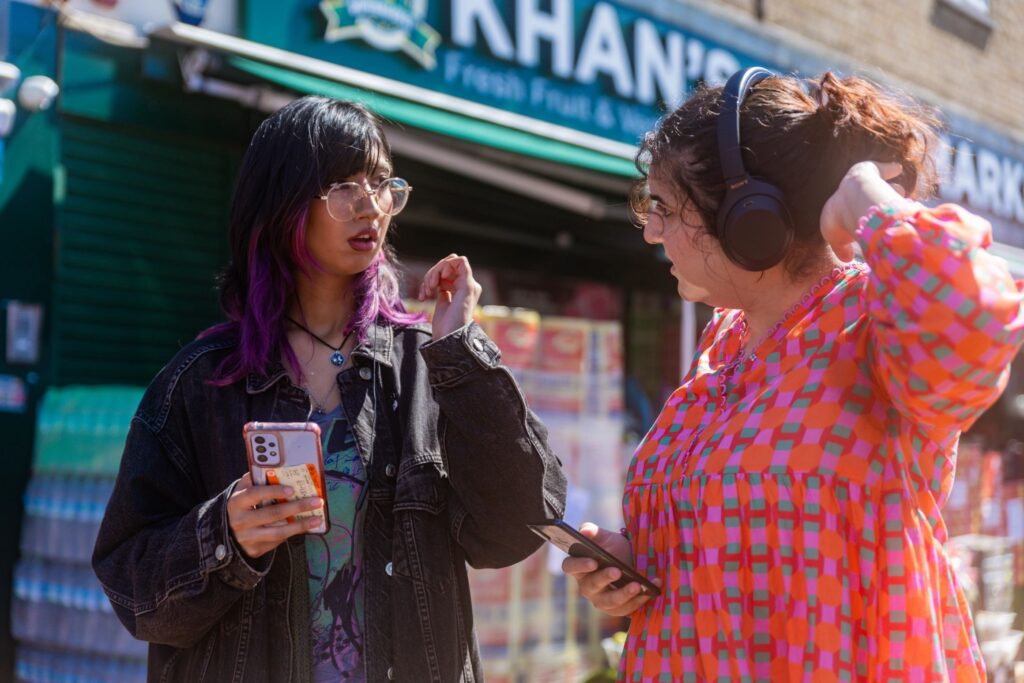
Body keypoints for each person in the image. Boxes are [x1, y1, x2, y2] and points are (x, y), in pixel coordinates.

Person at [563, 68, 1024, 682]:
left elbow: (974, 313)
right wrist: (636, 565)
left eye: (666, 208)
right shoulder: (721, 345)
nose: (649, 229)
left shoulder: (872, 321)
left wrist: (865, 195)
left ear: (750, 217)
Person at [92, 96, 566, 683]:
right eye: (343, 185)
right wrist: (225, 536)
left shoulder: (427, 365)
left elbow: (521, 524)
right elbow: (130, 587)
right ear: (283, 203)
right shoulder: (199, 383)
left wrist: (461, 350)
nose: (371, 206)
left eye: (382, 183)